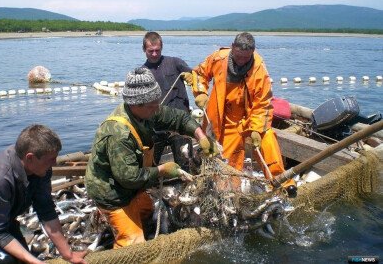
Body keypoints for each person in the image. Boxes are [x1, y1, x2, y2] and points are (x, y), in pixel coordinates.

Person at [85, 67, 219, 249]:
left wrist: (200, 136)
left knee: (147, 211)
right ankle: (110, 220)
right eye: (152, 104)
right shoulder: (118, 133)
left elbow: (177, 118)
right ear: (136, 105)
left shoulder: (147, 111)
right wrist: (162, 170)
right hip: (112, 192)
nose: (157, 107)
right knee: (134, 245)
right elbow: (129, 178)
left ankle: (128, 221)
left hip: (133, 186)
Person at [0, 125, 87, 264]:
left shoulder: (41, 170)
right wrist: (35, 262)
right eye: (51, 159)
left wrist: (68, 254)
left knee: (22, 258)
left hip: (2, 219)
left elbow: (46, 211)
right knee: (4, 261)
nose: (54, 163)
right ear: (30, 157)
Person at [186, 32, 297, 196]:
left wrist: (256, 129)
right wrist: (201, 92)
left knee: (267, 142)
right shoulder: (219, 58)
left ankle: (283, 184)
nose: (241, 61)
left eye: (246, 58)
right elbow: (199, 73)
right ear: (232, 47)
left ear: (252, 52)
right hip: (223, 117)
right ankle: (229, 193)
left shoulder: (259, 68)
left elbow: (263, 102)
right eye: (238, 56)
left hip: (250, 117)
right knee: (228, 161)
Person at [142, 31, 194, 172]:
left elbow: (197, 77)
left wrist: (192, 77)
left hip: (180, 126)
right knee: (150, 167)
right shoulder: (142, 73)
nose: (154, 54)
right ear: (144, 50)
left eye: (157, 50)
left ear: (162, 48)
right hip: (155, 128)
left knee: (186, 164)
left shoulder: (175, 62)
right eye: (150, 51)